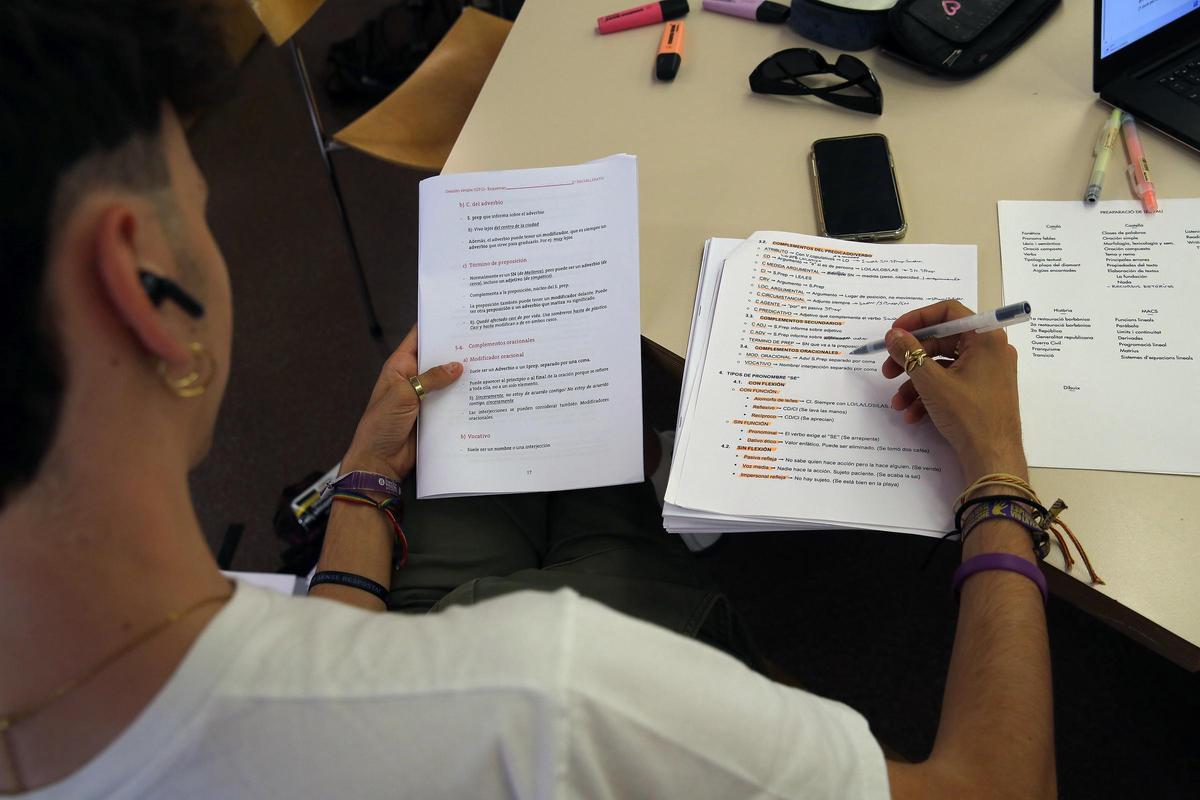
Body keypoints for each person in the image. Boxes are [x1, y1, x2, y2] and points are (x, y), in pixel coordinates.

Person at [0, 2, 1054, 797]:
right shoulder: (555, 699)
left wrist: (364, 479)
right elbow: (996, 787)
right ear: (144, 284)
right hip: (558, 686)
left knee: (559, 404)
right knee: (611, 499)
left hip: (392, 604)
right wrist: (998, 478)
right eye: (199, 201)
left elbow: (314, 669)